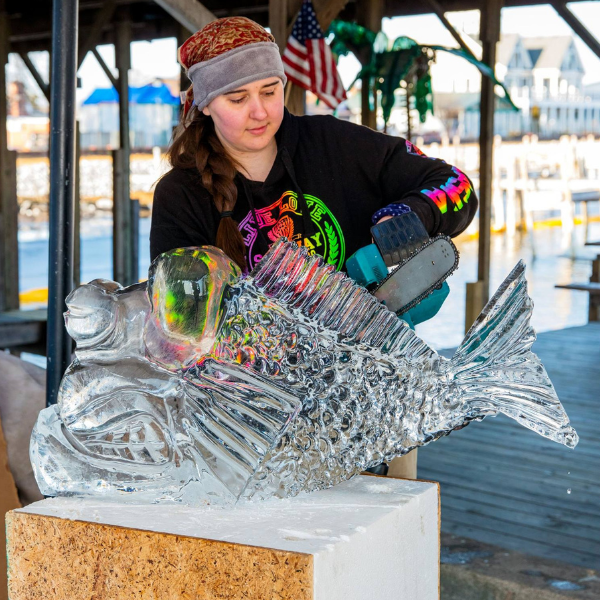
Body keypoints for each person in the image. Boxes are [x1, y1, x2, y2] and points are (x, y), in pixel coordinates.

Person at [150, 16, 478, 478]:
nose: (260, 111)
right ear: (203, 104)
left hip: (378, 404)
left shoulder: (336, 143)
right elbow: (179, 329)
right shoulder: (179, 195)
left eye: (270, 90)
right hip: (252, 428)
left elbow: (455, 183)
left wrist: (406, 223)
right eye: (237, 98)